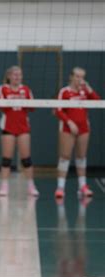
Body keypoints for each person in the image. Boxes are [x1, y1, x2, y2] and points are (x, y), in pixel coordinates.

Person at [54, 67, 100, 199]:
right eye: (77, 76)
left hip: (84, 128)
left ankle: (83, 186)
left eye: (82, 77)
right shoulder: (64, 92)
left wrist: (89, 89)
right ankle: (60, 187)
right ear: (71, 77)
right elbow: (58, 110)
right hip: (68, 128)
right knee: (65, 156)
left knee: (81, 157)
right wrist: (69, 122)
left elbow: (97, 102)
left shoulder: (85, 91)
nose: (80, 79)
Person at [0, 66, 39, 196]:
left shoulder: (25, 89)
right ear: (9, 76)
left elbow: (32, 107)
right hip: (8, 126)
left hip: (23, 127)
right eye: (15, 75)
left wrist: (22, 101)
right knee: (6, 159)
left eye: (19, 75)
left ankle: (31, 186)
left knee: (26, 159)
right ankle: (4, 186)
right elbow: (1, 106)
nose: (17, 77)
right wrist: (15, 100)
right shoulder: (3, 88)